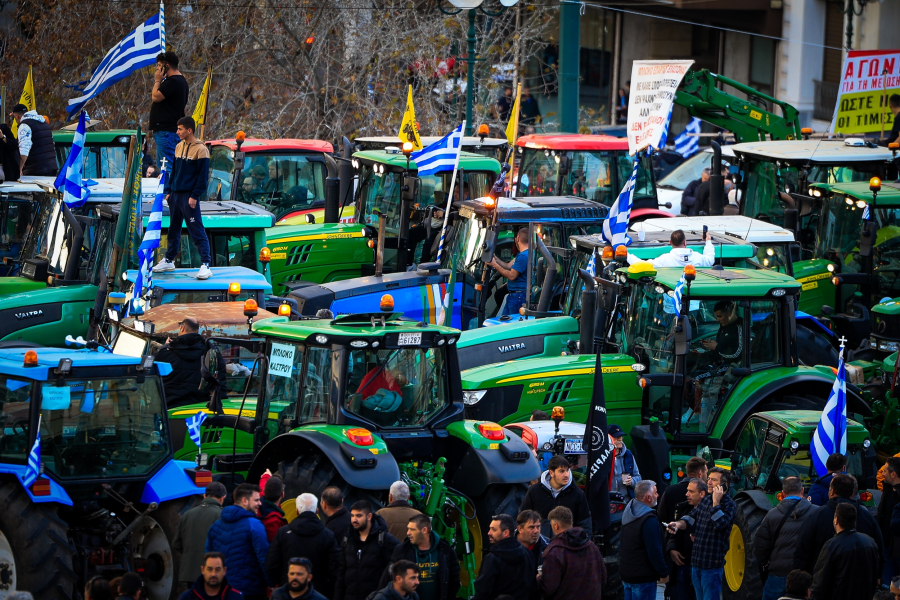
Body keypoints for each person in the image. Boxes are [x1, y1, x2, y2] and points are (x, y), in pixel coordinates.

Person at [153, 116, 212, 280]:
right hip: (175, 195)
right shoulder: (178, 147)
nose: (177, 132)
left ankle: (206, 264)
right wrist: (169, 191)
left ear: (189, 130)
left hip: (189, 196)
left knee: (196, 229)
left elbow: (203, 176)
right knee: (173, 228)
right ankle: (169, 260)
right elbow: (175, 171)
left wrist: (195, 195)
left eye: (180, 129)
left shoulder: (201, 150)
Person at [666, 467, 736, 600]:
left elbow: (720, 524)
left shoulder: (729, 505)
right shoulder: (705, 501)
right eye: (709, 478)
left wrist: (716, 502)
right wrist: (677, 524)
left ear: (723, 485)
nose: (709, 482)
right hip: (696, 564)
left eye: (714, 480)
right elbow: (690, 518)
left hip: (711, 567)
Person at [794, 473, 883, 575]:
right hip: (859, 579)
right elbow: (878, 548)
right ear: (852, 493)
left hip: (822, 579)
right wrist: (878, 574)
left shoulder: (816, 515)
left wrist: (802, 578)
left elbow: (802, 548)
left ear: (832, 492)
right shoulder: (866, 516)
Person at [752, 477, 815, 600]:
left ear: (783, 493)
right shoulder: (816, 512)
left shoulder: (771, 515)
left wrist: (766, 564)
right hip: (805, 576)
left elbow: (759, 545)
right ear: (802, 491)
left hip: (777, 573)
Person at [206, 483, 270, 600]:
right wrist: (271, 583)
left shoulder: (215, 526)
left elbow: (208, 558)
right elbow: (264, 557)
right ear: (245, 501)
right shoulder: (254, 525)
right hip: (250, 591)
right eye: (256, 500)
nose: (260, 503)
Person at [266, 493, 340, 592]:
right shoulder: (328, 535)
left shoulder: (283, 533)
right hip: (317, 592)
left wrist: (276, 584)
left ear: (297, 511)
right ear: (317, 511)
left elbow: (272, 563)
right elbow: (334, 567)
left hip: (288, 590)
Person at [810, 502, 880, 600]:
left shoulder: (832, 545)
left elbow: (820, 580)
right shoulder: (869, 542)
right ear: (854, 521)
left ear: (836, 520)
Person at [383, 514, 460, 600]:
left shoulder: (444, 550)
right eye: (408, 528)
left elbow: (454, 579)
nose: (408, 533)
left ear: (424, 530)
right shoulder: (402, 550)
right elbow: (389, 578)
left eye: (412, 529)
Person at [335, 500, 400, 600]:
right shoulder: (347, 540)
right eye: (352, 516)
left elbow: (394, 572)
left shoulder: (385, 540)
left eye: (359, 516)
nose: (354, 520)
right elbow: (341, 573)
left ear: (369, 516)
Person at [538, 505, 605, 599]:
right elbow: (603, 577)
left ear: (555, 525)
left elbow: (549, 587)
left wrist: (539, 579)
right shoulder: (592, 546)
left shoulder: (555, 551)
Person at [173, 481, 227, 593]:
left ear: (204, 496)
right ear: (222, 498)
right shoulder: (222, 515)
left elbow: (176, 544)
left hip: (189, 573)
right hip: (213, 573)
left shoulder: (187, 514)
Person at [520, 455, 591, 537]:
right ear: (551, 473)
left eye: (567, 470)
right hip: (540, 544)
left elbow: (585, 524)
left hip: (567, 546)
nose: (566, 475)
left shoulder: (578, 494)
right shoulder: (534, 491)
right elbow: (523, 517)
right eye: (561, 471)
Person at [621, 480, 667, 599]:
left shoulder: (628, 513)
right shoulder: (648, 520)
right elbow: (654, 550)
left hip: (627, 575)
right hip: (643, 579)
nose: (657, 495)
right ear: (648, 497)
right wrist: (664, 572)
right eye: (656, 493)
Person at [472, 514, 534, 600]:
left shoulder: (492, 559)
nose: (489, 533)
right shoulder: (528, 554)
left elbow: (482, 593)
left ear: (506, 533)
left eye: (493, 530)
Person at [666, 478, 707, 600]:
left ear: (702, 494)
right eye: (687, 490)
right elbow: (673, 534)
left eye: (691, 491)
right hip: (682, 566)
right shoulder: (683, 509)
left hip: (702, 567)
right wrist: (671, 549)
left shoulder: (710, 512)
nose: (686, 494)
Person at [155, 317, 208, 408]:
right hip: (199, 406)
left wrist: (165, 347)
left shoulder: (165, 351)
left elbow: (154, 376)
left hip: (171, 406)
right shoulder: (209, 350)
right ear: (198, 330)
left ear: (182, 328)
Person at [150, 51, 190, 170]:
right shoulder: (179, 81)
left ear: (166, 65)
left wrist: (157, 81)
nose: (157, 69)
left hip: (167, 132)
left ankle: (167, 188)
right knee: (166, 165)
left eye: (158, 65)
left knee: (166, 166)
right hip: (167, 131)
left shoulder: (174, 81)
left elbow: (156, 96)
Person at [487, 228, 530, 317]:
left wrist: (495, 265)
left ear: (517, 238)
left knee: (511, 325)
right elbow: (508, 266)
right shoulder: (525, 254)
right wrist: (495, 259)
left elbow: (511, 276)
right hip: (515, 296)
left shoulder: (523, 256)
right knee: (504, 322)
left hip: (518, 297)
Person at [658, 457, 708, 529]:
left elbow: (661, 517)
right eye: (706, 473)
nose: (687, 494)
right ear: (700, 474)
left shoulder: (669, 490)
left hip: (673, 535)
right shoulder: (705, 494)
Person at [628, 229, 714, 269]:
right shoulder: (697, 258)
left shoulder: (665, 259)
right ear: (685, 243)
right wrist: (708, 241)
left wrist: (626, 254)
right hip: (693, 304)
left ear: (670, 242)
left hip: (671, 304)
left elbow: (643, 265)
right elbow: (710, 259)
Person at [10, 104, 56, 176]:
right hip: (51, 167)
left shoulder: (24, 125)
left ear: (17, 116)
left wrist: (19, 169)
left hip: (35, 170)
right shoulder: (44, 123)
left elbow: (24, 149)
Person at [178, 552, 244, 600]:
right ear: (202, 570)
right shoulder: (187, 598)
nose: (213, 574)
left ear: (224, 571)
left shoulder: (236, 597)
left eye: (218, 570)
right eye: (209, 569)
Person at [878, 457, 900, 584]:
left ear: (894, 474)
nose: (882, 473)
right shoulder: (887, 489)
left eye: (885, 470)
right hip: (886, 547)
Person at [608, 424, 642, 501]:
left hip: (625, 501)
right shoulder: (602, 456)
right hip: (607, 501)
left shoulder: (628, 455)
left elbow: (638, 478)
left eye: (621, 436)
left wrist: (631, 481)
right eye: (617, 437)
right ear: (608, 439)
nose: (620, 439)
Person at [516, 509, 547, 577]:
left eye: (538, 527)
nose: (536, 531)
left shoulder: (547, 546)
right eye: (531, 527)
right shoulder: (507, 544)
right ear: (520, 529)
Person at [259, 470, 288, 541]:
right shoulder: (274, 522)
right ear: (283, 494)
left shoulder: (260, 500)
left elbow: (262, 486)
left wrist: (266, 476)